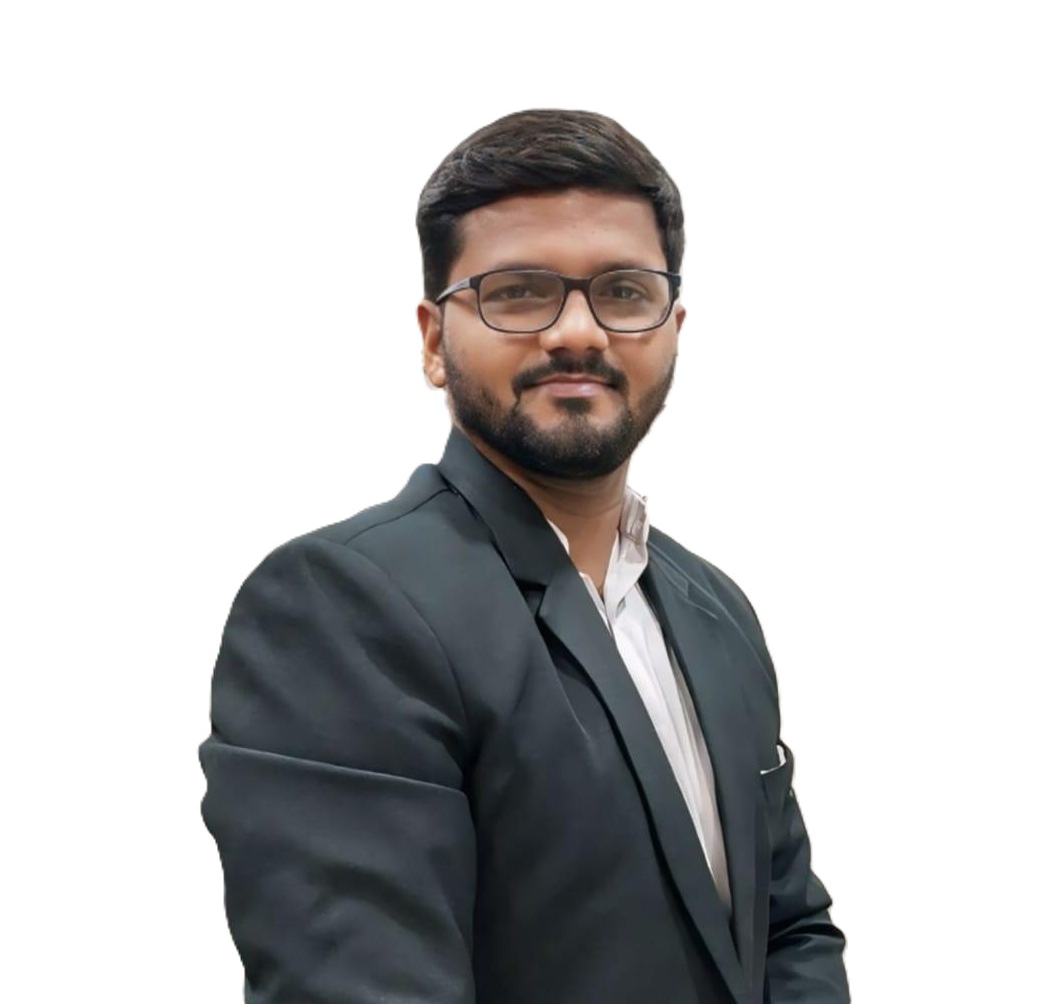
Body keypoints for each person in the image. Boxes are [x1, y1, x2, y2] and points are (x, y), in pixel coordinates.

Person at [199, 108, 850, 1004]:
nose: (578, 331)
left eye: (624, 291)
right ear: (435, 341)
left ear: (673, 327)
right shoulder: (341, 609)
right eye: (518, 291)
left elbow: (790, 930)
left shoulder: (716, 611)